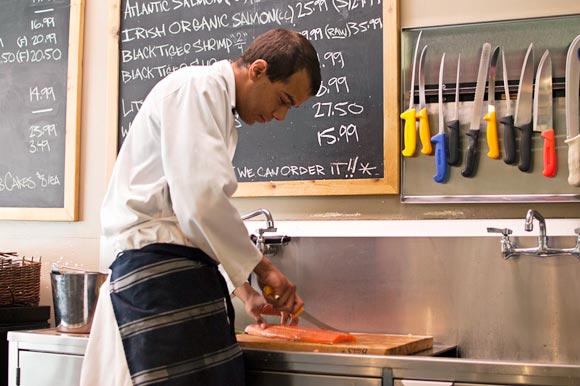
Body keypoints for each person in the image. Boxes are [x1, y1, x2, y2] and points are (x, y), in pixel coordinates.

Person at [80, 28, 321, 386]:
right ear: (257, 70)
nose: (281, 116)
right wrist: (261, 266)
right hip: (154, 278)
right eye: (284, 100)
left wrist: (245, 291)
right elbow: (201, 200)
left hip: (179, 278)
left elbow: (192, 215)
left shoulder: (217, 109)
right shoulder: (196, 89)